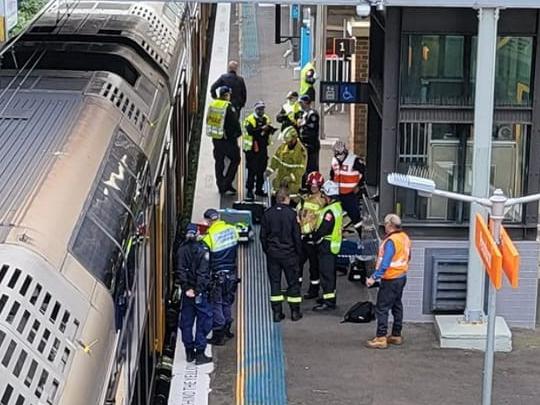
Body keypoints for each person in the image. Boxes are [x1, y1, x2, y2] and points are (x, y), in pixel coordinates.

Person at [365, 214, 411, 349]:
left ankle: (381, 337)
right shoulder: (404, 237)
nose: (384, 227)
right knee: (397, 305)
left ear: (390, 225)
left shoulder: (391, 241)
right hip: (401, 276)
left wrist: (373, 277)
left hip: (390, 279)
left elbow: (385, 264)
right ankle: (396, 335)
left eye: (385, 224)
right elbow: (408, 256)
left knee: (382, 308)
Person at [260, 187, 303, 322]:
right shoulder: (291, 214)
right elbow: (296, 236)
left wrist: (268, 250)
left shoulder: (268, 214)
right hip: (289, 254)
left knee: (275, 283)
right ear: (286, 199)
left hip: (273, 254)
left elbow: (263, 236)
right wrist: (298, 253)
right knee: (293, 283)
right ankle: (295, 312)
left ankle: (277, 313)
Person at [176, 224, 213, 365]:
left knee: (186, 322)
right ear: (197, 233)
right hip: (199, 293)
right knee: (204, 320)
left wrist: (186, 289)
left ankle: (189, 352)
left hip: (187, 293)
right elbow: (202, 273)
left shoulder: (181, 250)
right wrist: (198, 290)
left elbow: (180, 271)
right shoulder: (202, 250)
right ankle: (200, 353)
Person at [202, 209, 240, 346]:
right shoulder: (232, 229)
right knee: (227, 301)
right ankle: (228, 329)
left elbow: (205, 259)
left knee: (216, 304)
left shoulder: (209, 237)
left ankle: (219, 333)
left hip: (217, 276)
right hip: (231, 274)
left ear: (208, 221)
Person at [312, 180, 343, 311]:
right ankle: (328, 297)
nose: (323, 197)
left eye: (324, 194)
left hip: (326, 246)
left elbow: (323, 229)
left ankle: (329, 302)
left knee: (326, 274)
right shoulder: (336, 208)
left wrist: (314, 236)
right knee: (330, 274)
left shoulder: (329, 212)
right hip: (332, 245)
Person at [206, 85, 242, 195]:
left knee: (219, 162)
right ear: (226, 95)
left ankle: (220, 184)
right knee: (236, 159)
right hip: (228, 140)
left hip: (216, 138)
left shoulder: (213, 104)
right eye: (229, 94)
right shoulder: (228, 106)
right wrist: (238, 133)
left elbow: (208, 119)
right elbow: (234, 122)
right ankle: (226, 183)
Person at [297, 171, 326, 299]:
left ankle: (314, 290)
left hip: (313, 239)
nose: (313, 188)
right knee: (298, 264)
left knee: (314, 267)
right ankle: (295, 287)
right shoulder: (305, 199)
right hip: (303, 237)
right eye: (312, 186)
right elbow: (300, 213)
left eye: (316, 186)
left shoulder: (322, 201)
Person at [243, 101, 277, 200]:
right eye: (259, 109)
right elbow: (250, 131)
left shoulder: (266, 118)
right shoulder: (249, 120)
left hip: (262, 148)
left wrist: (270, 129)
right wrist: (262, 129)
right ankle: (249, 190)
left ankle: (259, 189)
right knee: (251, 170)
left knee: (261, 170)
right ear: (256, 109)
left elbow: (268, 129)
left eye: (262, 109)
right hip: (252, 149)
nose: (261, 111)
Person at [330, 140, 366, 231]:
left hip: (350, 194)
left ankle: (360, 235)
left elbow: (365, 173)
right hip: (337, 194)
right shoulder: (334, 161)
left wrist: (359, 186)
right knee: (335, 217)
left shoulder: (354, 160)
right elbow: (332, 176)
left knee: (356, 218)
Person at [266, 126, 307, 197]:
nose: (287, 144)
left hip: (292, 185)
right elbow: (276, 159)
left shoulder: (301, 151)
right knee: (276, 198)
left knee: (289, 201)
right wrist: (270, 170)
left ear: (294, 139)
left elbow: (301, 170)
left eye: (289, 142)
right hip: (280, 179)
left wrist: (290, 178)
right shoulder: (283, 146)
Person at [298, 95, 320, 188]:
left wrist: (303, 124)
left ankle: (313, 184)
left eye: (302, 103)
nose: (300, 105)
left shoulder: (312, 114)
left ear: (307, 103)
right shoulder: (303, 113)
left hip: (311, 145)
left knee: (312, 166)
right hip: (303, 144)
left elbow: (312, 127)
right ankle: (304, 184)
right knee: (303, 166)